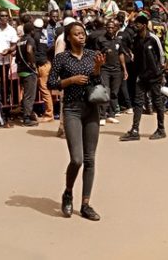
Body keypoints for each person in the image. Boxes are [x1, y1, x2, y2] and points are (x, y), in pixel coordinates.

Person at [48, 21, 105, 221]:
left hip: (91, 109)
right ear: (68, 38)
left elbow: (98, 83)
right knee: (77, 159)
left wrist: (97, 69)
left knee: (90, 159)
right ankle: (68, 192)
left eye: (83, 33)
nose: (81, 36)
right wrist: (71, 80)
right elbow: (51, 83)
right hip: (72, 110)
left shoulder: (92, 55)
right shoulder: (62, 58)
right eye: (76, 34)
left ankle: (86, 204)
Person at [120, 14, 167, 142]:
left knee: (157, 102)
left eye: (138, 24)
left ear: (144, 25)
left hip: (154, 76)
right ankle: (135, 130)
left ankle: (161, 129)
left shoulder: (153, 39)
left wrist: (160, 71)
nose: (135, 26)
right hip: (141, 76)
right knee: (138, 102)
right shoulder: (136, 39)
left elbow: (161, 55)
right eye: (135, 24)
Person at [96, 19, 126, 125]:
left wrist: (124, 69)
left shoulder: (118, 40)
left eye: (112, 27)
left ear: (116, 28)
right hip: (105, 69)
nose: (110, 29)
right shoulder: (100, 40)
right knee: (105, 91)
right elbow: (96, 53)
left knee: (114, 93)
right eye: (108, 27)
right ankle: (102, 116)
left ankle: (112, 114)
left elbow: (121, 54)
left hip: (117, 70)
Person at [16, 21, 38, 126]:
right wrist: (33, 64)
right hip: (29, 71)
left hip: (21, 70)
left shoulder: (20, 40)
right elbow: (29, 51)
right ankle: (27, 118)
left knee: (26, 94)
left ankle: (26, 113)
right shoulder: (30, 40)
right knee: (30, 95)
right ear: (32, 31)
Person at [33, 18, 54, 121]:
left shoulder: (35, 36)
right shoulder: (43, 36)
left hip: (41, 65)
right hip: (45, 63)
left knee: (44, 90)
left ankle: (49, 114)